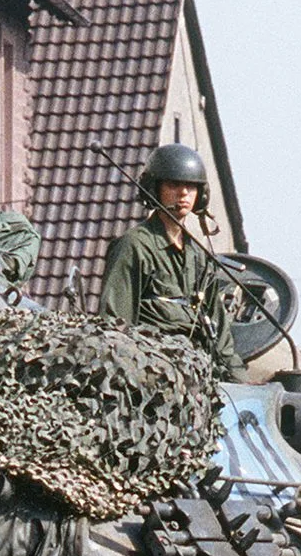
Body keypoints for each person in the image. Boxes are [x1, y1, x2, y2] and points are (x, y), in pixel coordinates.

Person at [97, 141, 243, 378]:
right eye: (174, 184)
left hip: (198, 371)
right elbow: (115, 325)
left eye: (191, 186)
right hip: (152, 371)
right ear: (155, 189)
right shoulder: (135, 245)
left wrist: (241, 382)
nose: (184, 193)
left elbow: (222, 338)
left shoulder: (199, 256)